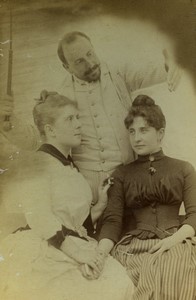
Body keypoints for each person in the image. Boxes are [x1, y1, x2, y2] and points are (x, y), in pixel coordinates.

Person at [0, 31, 181, 207]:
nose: (91, 63)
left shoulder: (117, 73)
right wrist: (8, 123)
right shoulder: (61, 96)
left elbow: (151, 72)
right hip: (87, 187)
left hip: (128, 176)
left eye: (90, 53)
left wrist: (171, 63)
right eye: (80, 61)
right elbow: (37, 138)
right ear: (67, 67)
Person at [0, 91, 134, 300]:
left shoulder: (69, 166)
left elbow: (72, 220)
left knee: (119, 282)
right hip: (44, 245)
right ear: (50, 130)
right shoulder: (38, 163)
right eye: (70, 119)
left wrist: (98, 206)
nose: (78, 124)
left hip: (69, 241)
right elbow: (40, 217)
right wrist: (79, 254)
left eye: (78, 117)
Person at [95, 95, 196, 300]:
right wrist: (99, 254)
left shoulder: (183, 168)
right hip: (134, 247)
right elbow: (113, 221)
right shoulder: (121, 174)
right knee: (137, 274)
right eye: (132, 132)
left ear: (160, 133)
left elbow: (195, 214)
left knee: (175, 266)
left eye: (143, 130)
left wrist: (171, 241)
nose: (136, 138)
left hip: (175, 242)